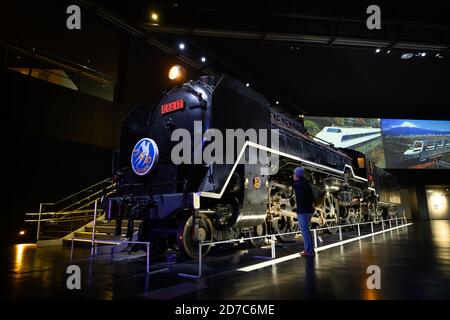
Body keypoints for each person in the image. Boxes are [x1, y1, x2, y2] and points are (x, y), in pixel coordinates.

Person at [293, 166, 316, 257]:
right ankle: (310, 250)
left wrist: (300, 209)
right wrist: (311, 204)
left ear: (297, 175)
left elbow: (302, 198)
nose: (293, 175)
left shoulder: (297, 184)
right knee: (307, 230)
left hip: (303, 211)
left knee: (305, 231)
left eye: (294, 173)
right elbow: (311, 195)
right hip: (309, 211)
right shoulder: (306, 182)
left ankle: (309, 251)